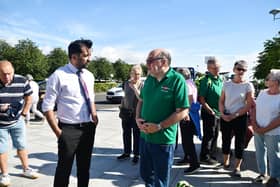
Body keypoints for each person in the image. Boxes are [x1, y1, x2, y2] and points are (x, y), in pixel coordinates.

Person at [42, 39, 98, 187]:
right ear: (74, 56)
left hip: (88, 128)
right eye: (86, 55)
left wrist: (94, 114)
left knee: (84, 168)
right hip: (68, 129)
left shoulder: (89, 75)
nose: (89, 58)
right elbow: (47, 106)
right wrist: (59, 133)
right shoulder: (58, 75)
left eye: (89, 54)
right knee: (64, 169)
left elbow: (90, 97)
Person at [136, 49, 189, 187]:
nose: (147, 65)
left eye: (150, 61)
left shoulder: (177, 80)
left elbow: (183, 111)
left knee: (160, 179)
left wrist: (159, 126)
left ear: (163, 61)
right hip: (144, 136)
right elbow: (141, 101)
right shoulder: (149, 79)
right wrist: (137, 118)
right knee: (146, 175)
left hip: (163, 140)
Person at [0, 60, 39, 187]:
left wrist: (24, 113)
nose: (7, 77)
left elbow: (29, 97)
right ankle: (5, 175)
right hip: (0, 124)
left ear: (13, 71)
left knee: (21, 145)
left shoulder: (22, 81)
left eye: (9, 74)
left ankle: (26, 169)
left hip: (17, 121)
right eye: (3, 74)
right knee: (1, 149)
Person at [218, 60, 254, 178]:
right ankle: (226, 162)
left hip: (240, 117)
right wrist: (223, 113)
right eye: (239, 69)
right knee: (225, 139)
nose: (241, 71)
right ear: (234, 69)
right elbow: (221, 101)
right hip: (226, 116)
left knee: (240, 142)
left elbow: (248, 104)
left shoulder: (248, 85)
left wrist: (235, 115)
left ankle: (237, 167)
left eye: (244, 69)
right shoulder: (227, 84)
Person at [251, 69, 280, 186]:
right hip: (258, 128)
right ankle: (262, 173)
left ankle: (274, 177)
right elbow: (255, 108)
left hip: (273, 131)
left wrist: (264, 129)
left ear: (276, 82)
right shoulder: (262, 92)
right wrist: (254, 124)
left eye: (268, 78)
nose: (266, 80)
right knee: (259, 152)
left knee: (273, 154)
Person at [176, 68, 201, 174]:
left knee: (187, 140)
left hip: (187, 115)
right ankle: (187, 157)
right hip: (190, 114)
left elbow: (189, 99)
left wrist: (185, 113)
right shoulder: (191, 83)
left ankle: (194, 164)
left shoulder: (185, 85)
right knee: (186, 139)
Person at [117, 64, 143, 164]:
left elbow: (141, 98)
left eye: (138, 74)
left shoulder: (142, 84)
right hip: (126, 112)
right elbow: (125, 96)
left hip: (137, 113)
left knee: (137, 134)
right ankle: (126, 152)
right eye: (134, 73)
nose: (136, 76)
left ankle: (136, 154)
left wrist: (135, 87)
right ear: (130, 73)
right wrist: (121, 106)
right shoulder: (126, 83)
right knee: (126, 133)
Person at [199, 58, 223, 165]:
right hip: (209, 112)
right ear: (208, 68)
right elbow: (201, 99)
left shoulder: (220, 79)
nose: (217, 69)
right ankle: (204, 156)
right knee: (209, 134)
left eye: (218, 67)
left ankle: (212, 152)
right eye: (214, 68)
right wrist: (210, 110)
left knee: (216, 133)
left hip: (219, 112)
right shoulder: (206, 80)